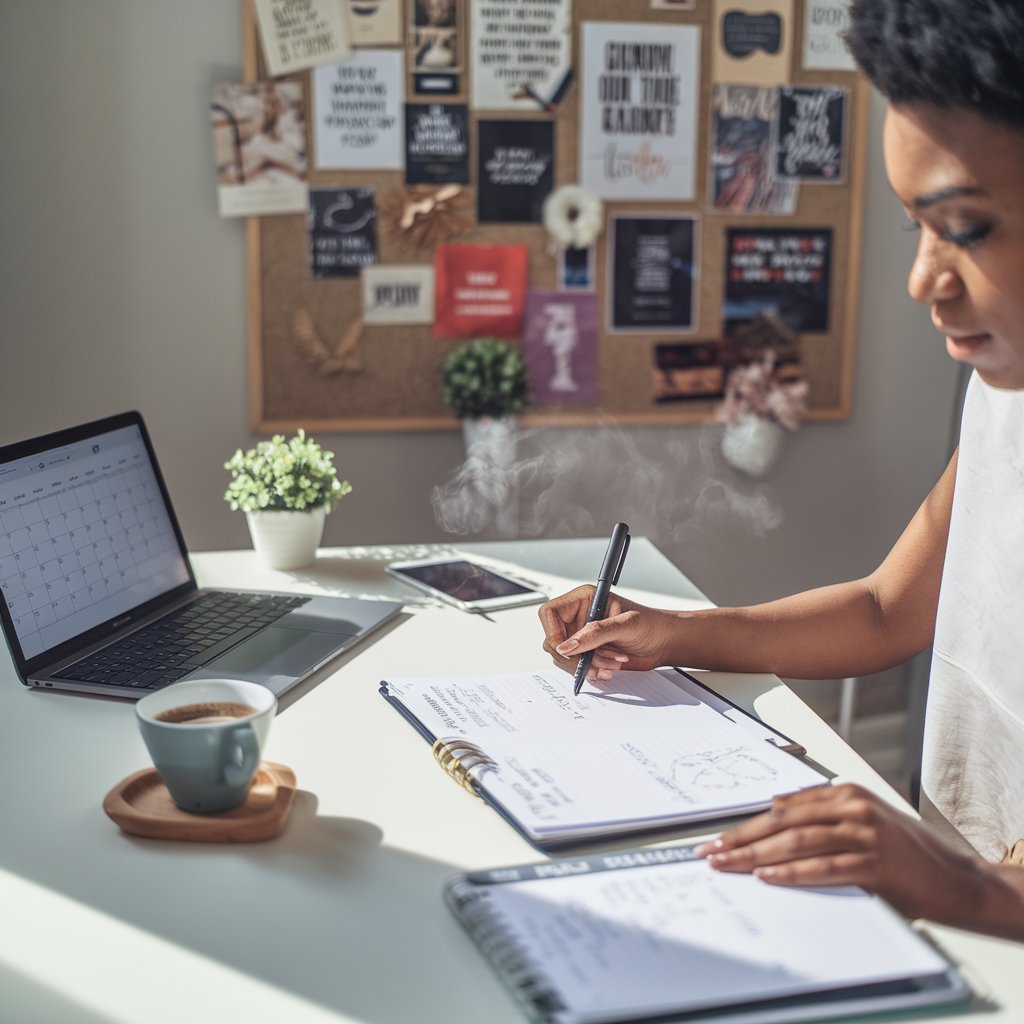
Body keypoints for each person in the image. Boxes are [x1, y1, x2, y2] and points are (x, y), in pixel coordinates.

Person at [539, 0, 1024, 940]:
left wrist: (961, 888)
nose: (926, 279)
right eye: (913, 229)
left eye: (963, 228)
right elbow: (891, 607)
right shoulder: (1006, 394)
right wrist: (678, 631)